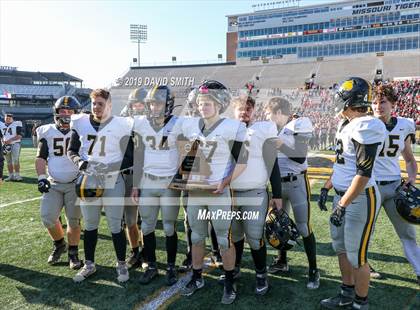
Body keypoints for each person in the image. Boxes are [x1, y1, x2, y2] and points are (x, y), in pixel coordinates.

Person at [320, 77, 385, 310]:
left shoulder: (367, 124)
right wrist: (327, 187)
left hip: (360, 198)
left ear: (351, 99)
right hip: (342, 196)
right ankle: (346, 293)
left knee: (357, 255)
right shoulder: (346, 123)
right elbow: (342, 165)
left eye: (341, 99)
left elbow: (363, 173)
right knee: (341, 249)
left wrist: (343, 204)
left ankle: (361, 303)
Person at [180, 80, 247, 305]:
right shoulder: (190, 126)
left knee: (223, 239)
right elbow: (186, 157)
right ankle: (197, 277)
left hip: (218, 191)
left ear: (219, 104)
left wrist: (225, 182)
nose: (202, 107)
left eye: (207, 102)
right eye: (200, 103)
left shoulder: (232, 127)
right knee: (196, 236)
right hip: (196, 192)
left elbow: (242, 161)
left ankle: (229, 281)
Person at [68, 89, 134, 283]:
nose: (96, 107)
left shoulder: (121, 124)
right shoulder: (80, 123)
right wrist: (79, 162)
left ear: (109, 105)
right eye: (94, 103)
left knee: (115, 224)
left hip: (113, 178)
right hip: (88, 178)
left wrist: (109, 167)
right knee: (90, 225)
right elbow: (71, 150)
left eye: (100, 103)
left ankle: (121, 264)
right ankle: (89, 264)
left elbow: (130, 156)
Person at [227, 94, 282, 295]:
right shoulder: (227, 131)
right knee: (235, 235)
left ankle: (261, 273)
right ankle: (235, 268)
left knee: (255, 235)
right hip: (231, 193)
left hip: (255, 192)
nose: (244, 112)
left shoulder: (261, 130)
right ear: (234, 111)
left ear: (253, 111)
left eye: (248, 109)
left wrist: (277, 194)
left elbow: (272, 163)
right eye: (241, 108)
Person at [266, 96, 320, 290]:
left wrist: (280, 144)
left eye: (269, 113)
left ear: (279, 113)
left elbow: (299, 157)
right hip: (278, 184)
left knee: (303, 226)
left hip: (297, 182)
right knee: (278, 223)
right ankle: (282, 261)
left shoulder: (298, 124)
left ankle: (313, 269)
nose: (267, 117)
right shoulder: (270, 129)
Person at [131, 85, 182, 286]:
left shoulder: (178, 124)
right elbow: (138, 155)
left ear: (168, 103)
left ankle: (170, 266)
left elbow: (185, 153)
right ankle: (151, 265)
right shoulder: (142, 124)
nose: (155, 107)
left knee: (169, 226)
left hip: (169, 183)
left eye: (158, 103)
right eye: (152, 103)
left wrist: (179, 179)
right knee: (148, 226)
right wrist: (135, 184)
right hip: (147, 181)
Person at [371, 83, 419, 284]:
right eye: (374, 102)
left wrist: (411, 177)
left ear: (393, 104)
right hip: (369, 186)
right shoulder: (365, 124)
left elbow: (408, 158)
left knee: (407, 233)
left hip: (393, 186)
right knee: (364, 231)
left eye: (382, 102)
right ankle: (363, 265)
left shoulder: (404, 125)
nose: (378, 106)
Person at [35, 96, 82, 269]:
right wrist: (41, 177)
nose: (67, 114)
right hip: (53, 182)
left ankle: (73, 253)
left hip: (75, 182)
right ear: (56, 112)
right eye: (63, 110)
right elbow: (40, 157)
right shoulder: (46, 131)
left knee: (74, 220)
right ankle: (59, 243)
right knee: (48, 218)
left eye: (70, 111)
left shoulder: (82, 130)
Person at [2, 114, 23, 181]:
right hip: (6, 145)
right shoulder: (1, 125)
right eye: (6, 118)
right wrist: (3, 142)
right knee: (8, 161)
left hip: (15, 144)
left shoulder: (17, 124)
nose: (7, 119)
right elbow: (1, 136)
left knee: (16, 160)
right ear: (4, 119)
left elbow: (19, 136)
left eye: (9, 118)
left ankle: (17, 175)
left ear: (12, 119)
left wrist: (10, 140)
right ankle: (11, 175)